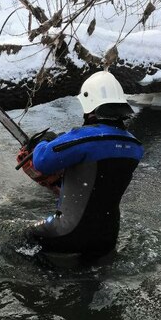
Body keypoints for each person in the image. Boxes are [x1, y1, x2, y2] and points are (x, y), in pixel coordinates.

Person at [17, 71, 144, 266]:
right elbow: (101, 177)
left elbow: (42, 161)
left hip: (70, 231)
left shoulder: (84, 138)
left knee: (23, 238)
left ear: (89, 105)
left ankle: (43, 283)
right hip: (107, 237)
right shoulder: (135, 146)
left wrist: (44, 141)